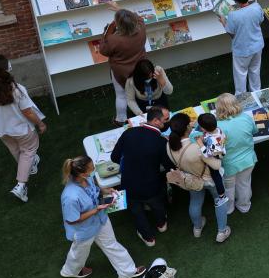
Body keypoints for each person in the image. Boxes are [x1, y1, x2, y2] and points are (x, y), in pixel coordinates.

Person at [59, 155, 145, 278]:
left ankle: (127, 272)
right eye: (91, 168)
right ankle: (70, 270)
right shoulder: (70, 196)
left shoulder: (86, 178)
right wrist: (96, 210)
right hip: (84, 230)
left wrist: (106, 190)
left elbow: (94, 189)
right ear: (82, 174)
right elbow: (72, 220)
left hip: (100, 219)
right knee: (79, 253)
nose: (94, 170)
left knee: (110, 243)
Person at [0, 55, 46, 202]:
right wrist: (41, 124)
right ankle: (21, 185)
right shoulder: (17, 90)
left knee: (15, 149)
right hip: (21, 129)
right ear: (6, 71)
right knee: (28, 151)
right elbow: (28, 112)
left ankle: (30, 167)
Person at [111, 106, 175, 246]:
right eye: (165, 120)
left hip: (129, 184)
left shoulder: (129, 133)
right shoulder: (161, 141)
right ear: (156, 121)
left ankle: (148, 238)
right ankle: (161, 224)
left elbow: (114, 157)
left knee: (136, 212)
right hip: (152, 184)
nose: (166, 123)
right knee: (157, 204)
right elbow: (168, 165)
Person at [166, 113, 231, 242]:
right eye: (189, 123)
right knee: (220, 200)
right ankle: (222, 232)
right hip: (209, 180)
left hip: (190, 179)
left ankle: (197, 228)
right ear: (186, 129)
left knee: (195, 201)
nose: (192, 124)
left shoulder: (168, 145)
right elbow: (217, 165)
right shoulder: (197, 148)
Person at [101, 5, 147, 125]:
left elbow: (103, 51)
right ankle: (145, 114)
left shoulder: (113, 39)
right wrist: (120, 9)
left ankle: (120, 120)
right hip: (140, 67)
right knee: (140, 90)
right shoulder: (141, 27)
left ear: (118, 25)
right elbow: (138, 18)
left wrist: (106, 32)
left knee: (121, 95)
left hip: (121, 71)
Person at [214, 93, 258, 215]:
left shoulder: (217, 126)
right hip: (248, 160)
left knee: (228, 188)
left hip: (229, 165)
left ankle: (229, 208)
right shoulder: (246, 118)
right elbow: (255, 130)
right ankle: (244, 206)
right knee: (244, 184)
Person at [224, 0, 264, 93]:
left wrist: (224, 23)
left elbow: (231, 34)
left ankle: (241, 97)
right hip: (257, 46)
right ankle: (256, 92)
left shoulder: (233, 15)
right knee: (255, 70)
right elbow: (260, 21)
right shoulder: (257, 7)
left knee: (241, 74)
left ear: (235, 0)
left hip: (242, 50)